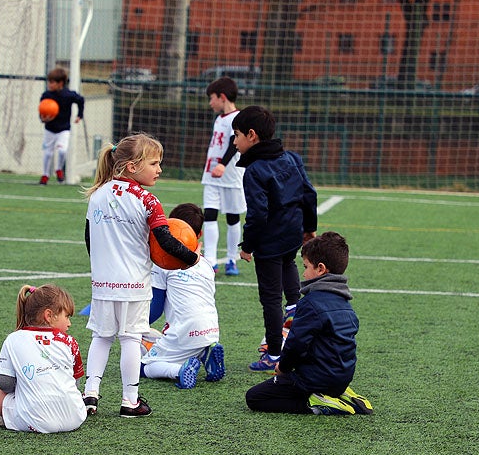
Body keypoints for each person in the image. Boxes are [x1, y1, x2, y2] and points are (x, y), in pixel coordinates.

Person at [82, 133, 200, 418]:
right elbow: (167, 241)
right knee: (131, 340)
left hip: (102, 283)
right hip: (133, 284)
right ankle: (130, 400)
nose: (159, 169)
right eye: (155, 163)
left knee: (101, 337)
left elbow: (88, 239)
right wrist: (192, 259)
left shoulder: (98, 194)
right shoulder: (148, 200)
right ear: (133, 166)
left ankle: (90, 394)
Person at [245, 232, 373, 416]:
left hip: (314, 379)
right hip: (342, 377)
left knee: (255, 397)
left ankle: (318, 403)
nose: (303, 273)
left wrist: (282, 368)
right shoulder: (345, 303)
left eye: (305, 267)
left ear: (320, 269)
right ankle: (340, 394)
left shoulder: (311, 303)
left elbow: (296, 345)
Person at [233, 105, 318, 372]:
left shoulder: (254, 171)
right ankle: (294, 306)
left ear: (251, 135)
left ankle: (274, 353)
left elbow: (258, 214)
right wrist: (309, 228)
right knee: (289, 265)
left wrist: (247, 246)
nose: (234, 142)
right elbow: (309, 193)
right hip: (292, 233)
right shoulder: (291, 158)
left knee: (270, 299)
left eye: (236, 136)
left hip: (269, 241)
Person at [0, 284, 88, 433]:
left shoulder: (13, 339)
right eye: (66, 316)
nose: (69, 323)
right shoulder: (69, 341)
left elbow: (5, 384)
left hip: (38, 421)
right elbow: (75, 382)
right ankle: (11, 416)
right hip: (76, 418)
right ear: (48, 316)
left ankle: (6, 417)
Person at [141, 202, 226, 389]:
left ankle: (178, 371)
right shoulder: (206, 264)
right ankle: (204, 353)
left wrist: (134, 326)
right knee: (178, 342)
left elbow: (155, 309)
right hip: (211, 332)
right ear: (200, 235)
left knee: (142, 366)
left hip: (184, 333)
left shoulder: (164, 265)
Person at [200, 77, 246, 276]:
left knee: (232, 217)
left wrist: (222, 164)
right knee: (209, 214)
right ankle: (210, 260)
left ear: (222, 97)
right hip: (211, 176)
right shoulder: (219, 119)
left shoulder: (238, 118)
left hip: (231, 176)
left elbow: (232, 144)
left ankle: (230, 258)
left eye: (212, 98)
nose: (210, 103)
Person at [39, 67, 85, 184]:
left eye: (52, 82)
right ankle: (45, 175)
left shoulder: (68, 95)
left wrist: (80, 115)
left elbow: (80, 100)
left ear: (60, 83)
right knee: (48, 153)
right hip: (50, 129)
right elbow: (42, 112)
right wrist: (43, 119)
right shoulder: (46, 95)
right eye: (49, 81)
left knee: (62, 150)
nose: (49, 84)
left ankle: (59, 169)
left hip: (63, 129)